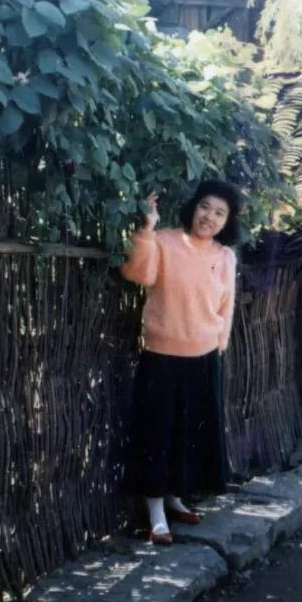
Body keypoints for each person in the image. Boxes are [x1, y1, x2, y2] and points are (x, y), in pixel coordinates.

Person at [120, 179, 242, 545]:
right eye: (206, 207)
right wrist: (147, 228)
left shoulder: (224, 256)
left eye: (220, 213)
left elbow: (226, 305)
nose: (210, 217)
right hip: (161, 356)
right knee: (157, 434)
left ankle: (175, 498)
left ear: (227, 221)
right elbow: (138, 274)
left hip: (204, 358)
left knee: (189, 436)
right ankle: (156, 512)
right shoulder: (164, 242)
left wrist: (219, 343)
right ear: (194, 207)